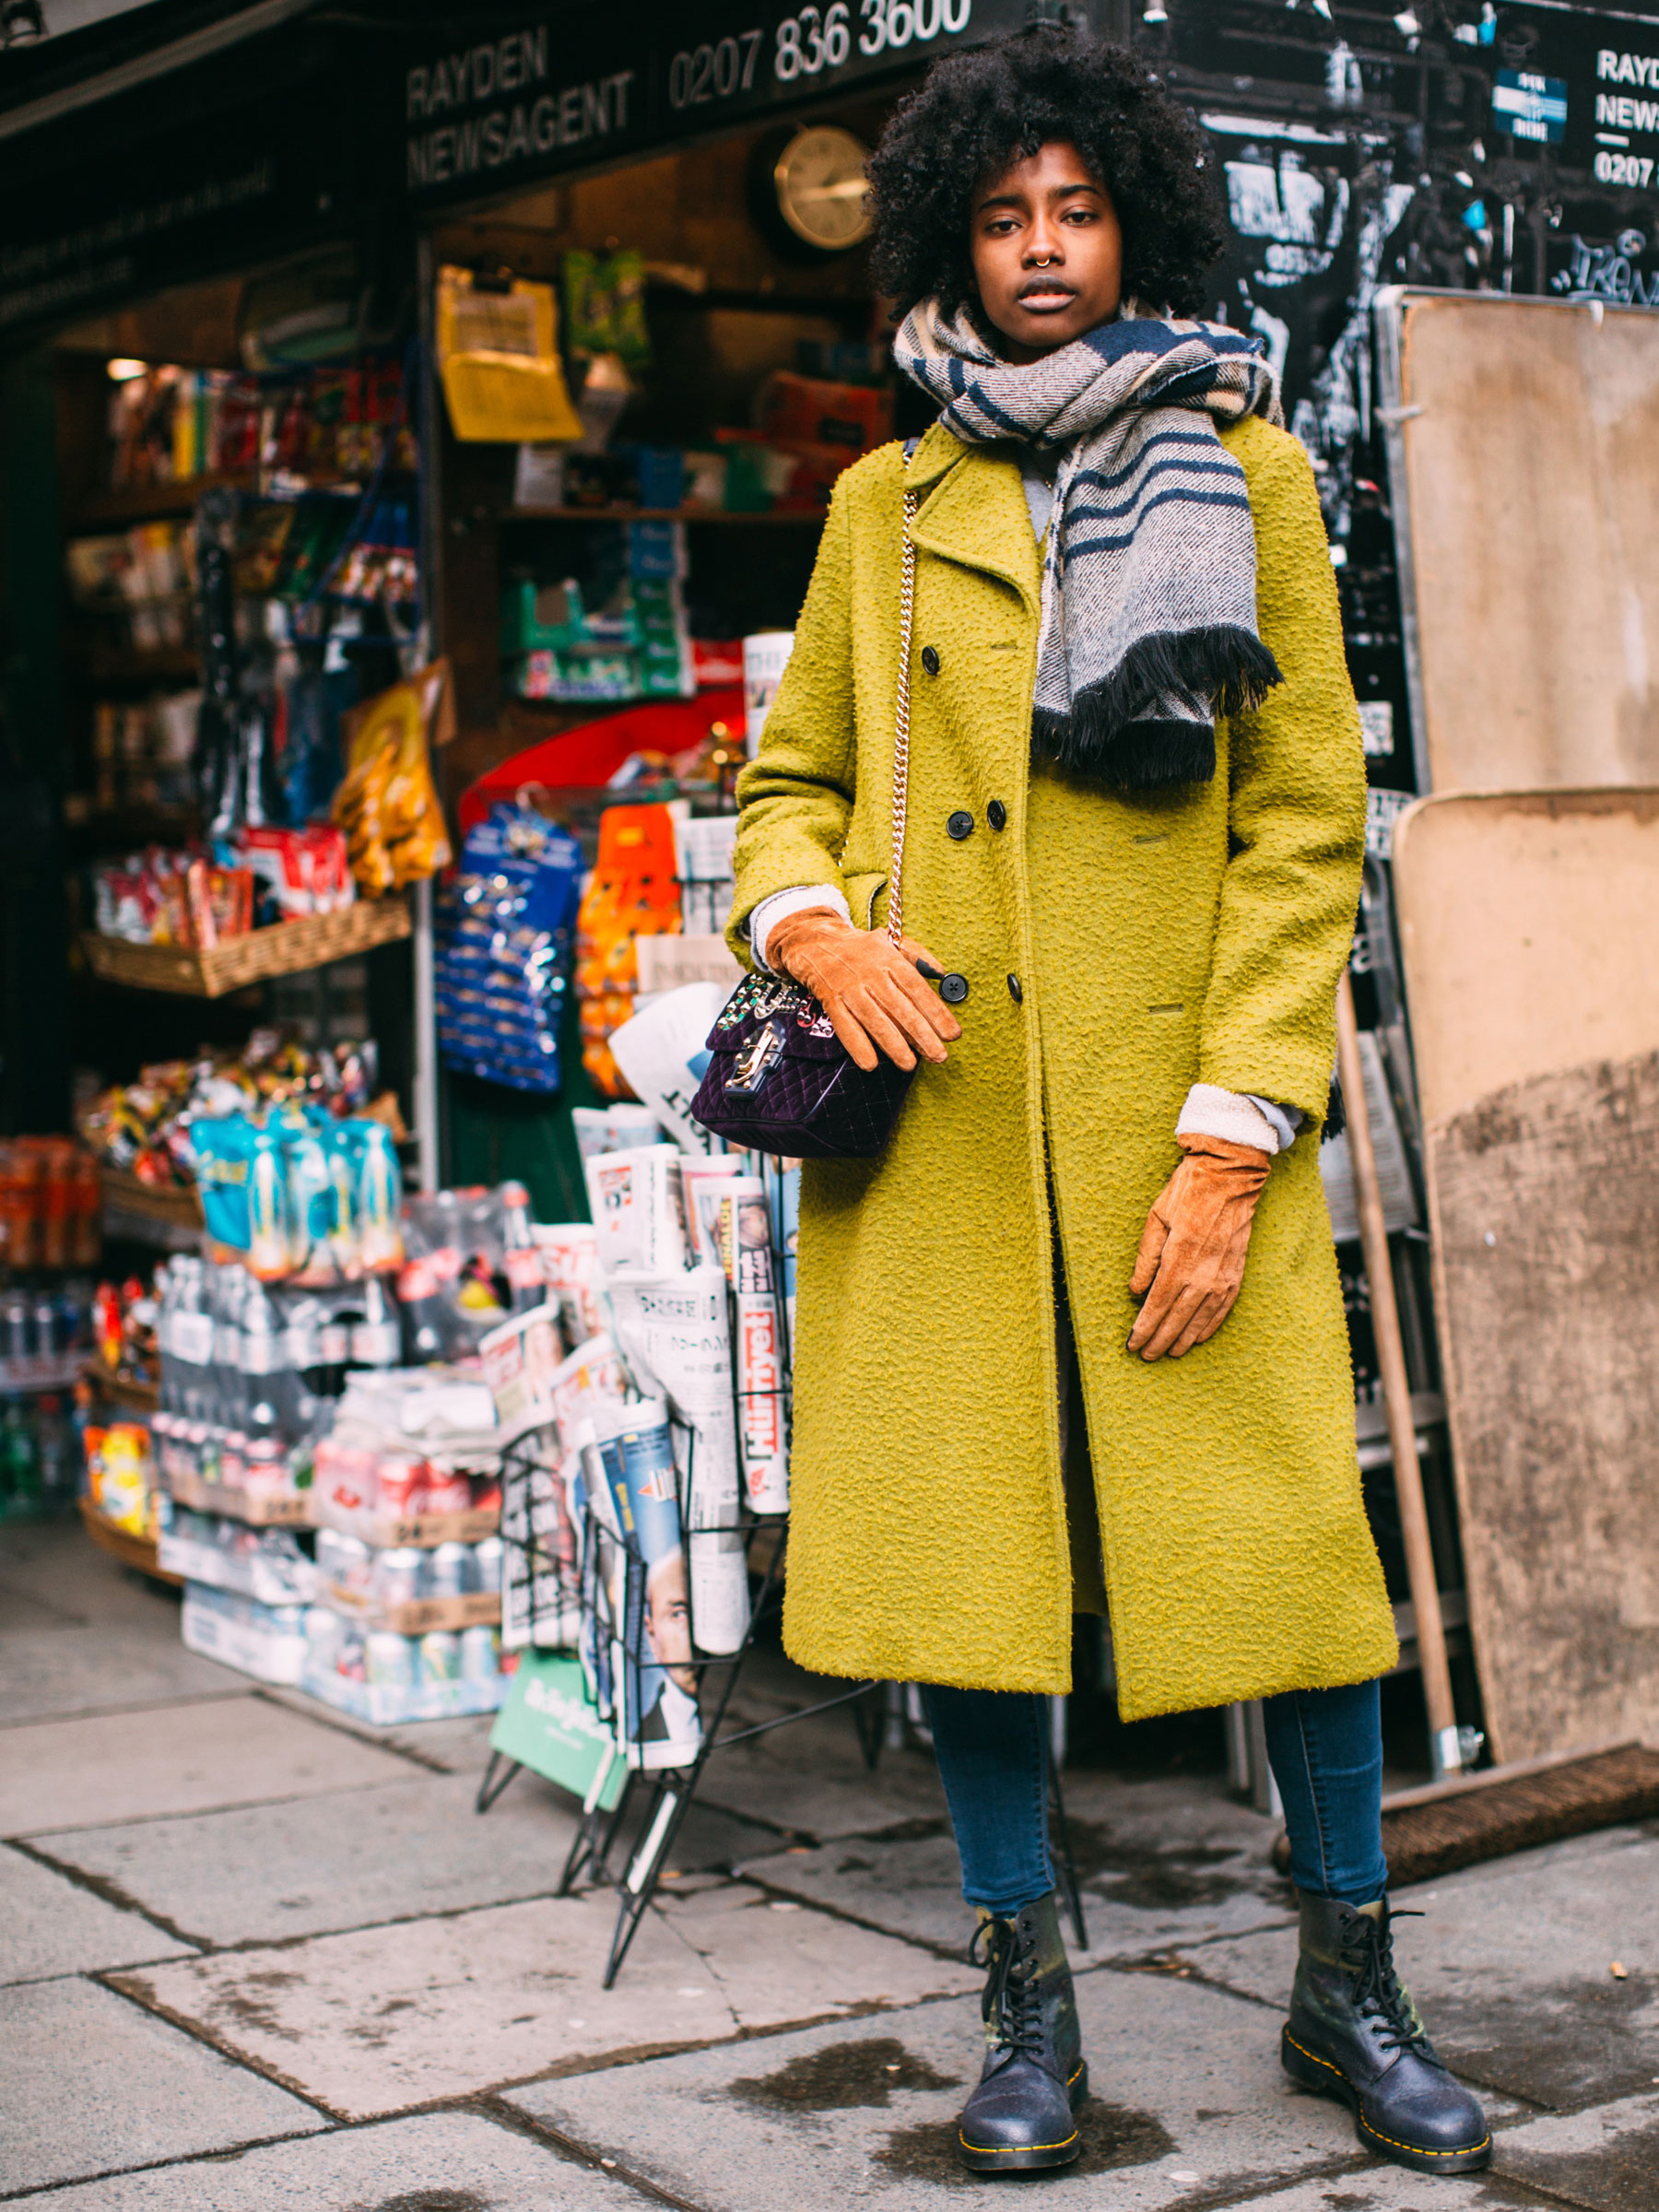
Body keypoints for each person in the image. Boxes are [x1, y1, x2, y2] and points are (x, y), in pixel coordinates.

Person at [724, 23, 1489, 2183]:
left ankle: (1353, 1995)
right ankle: (1026, 2019)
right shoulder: (887, 506)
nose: (1042, 249)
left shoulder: (1245, 472)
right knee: (977, 1579)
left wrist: (1239, 1139)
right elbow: (782, 783)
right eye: (1001, 214)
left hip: (1181, 1129)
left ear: (1130, 219)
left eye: (1075, 210)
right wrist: (811, 928)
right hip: (945, 1132)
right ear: (956, 240)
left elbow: (1305, 828)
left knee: (1288, 1562)